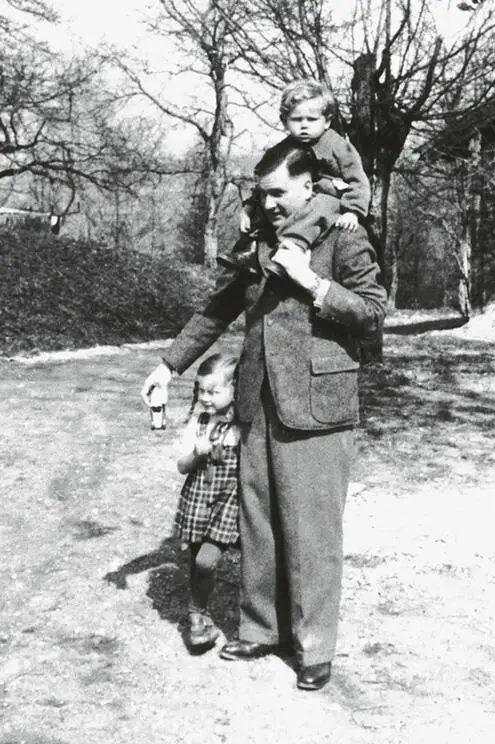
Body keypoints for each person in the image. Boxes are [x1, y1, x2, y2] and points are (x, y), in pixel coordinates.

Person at [141, 142, 386, 691]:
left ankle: (315, 646)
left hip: (319, 409)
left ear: (309, 186)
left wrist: (314, 284)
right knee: (259, 522)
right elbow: (218, 309)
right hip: (254, 402)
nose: (269, 203)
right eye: (262, 193)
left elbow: (373, 312)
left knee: (312, 532)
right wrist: (167, 366)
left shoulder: (343, 237)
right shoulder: (259, 244)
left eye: (279, 192)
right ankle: (261, 628)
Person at [217, 78, 371, 275]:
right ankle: (250, 252)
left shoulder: (337, 146)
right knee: (269, 205)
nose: (304, 126)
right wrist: (250, 205)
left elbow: (358, 179)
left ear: (327, 121)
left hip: (331, 198)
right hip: (297, 197)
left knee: (319, 204)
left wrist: (353, 211)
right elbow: (267, 179)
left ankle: (292, 250)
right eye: (297, 120)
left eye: (312, 119)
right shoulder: (284, 148)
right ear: (285, 122)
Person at [173, 353, 240, 651]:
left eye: (214, 391)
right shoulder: (198, 422)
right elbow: (182, 466)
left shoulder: (243, 423)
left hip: (229, 500)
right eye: (201, 390)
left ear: (235, 389)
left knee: (206, 559)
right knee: (197, 560)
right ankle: (198, 617)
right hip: (200, 498)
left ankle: (255, 619)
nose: (206, 398)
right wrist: (198, 452)